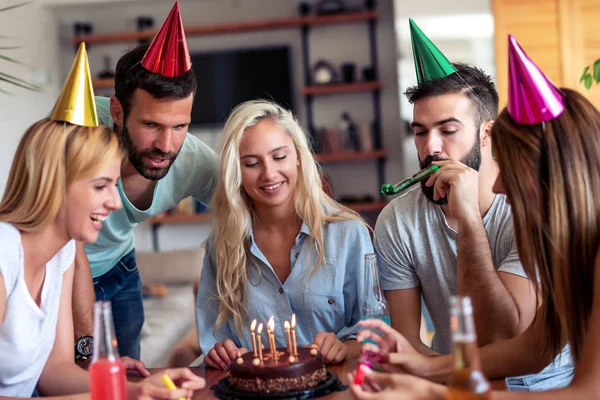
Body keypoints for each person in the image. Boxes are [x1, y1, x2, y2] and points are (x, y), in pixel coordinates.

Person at [349, 36, 600, 399]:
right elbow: (535, 348)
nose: (498, 185)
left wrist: (433, 394)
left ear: (550, 172)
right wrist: (423, 367)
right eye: (420, 131)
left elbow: (588, 393)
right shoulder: (569, 245)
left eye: (511, 170)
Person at [0, 44, 205, 397]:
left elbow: (55, 373)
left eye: (113, 184)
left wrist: (134, 390)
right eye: (100, 186)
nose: (115, 203)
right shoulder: (5, 254)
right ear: (55, 180)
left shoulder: (61, 256)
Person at [72, 2, 219, 362]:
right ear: (118, 112)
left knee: (130, 376)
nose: (166, 146)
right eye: (152, 125)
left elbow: (254, 216)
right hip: (60, 272)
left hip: (120, 269)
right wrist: (83, 332)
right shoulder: (74, 130)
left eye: (179, 127)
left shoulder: (197, 161)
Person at [195, 100, 374, 369]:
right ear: (236, 171)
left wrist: (345, 347)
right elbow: (215, 338)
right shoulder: (222, 245)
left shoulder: (349, 235)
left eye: (280, 157)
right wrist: (221, 351)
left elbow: (375, 331)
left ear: (299, 157)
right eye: (252, 163)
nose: (269, 174)